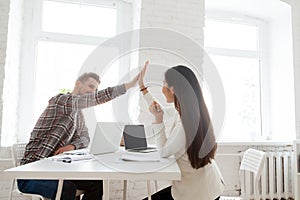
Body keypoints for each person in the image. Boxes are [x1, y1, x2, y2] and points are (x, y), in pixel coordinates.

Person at [18, 71, 140, 200]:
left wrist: (72, 146)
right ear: (78, 84)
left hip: (54, 171)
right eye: (91, 86)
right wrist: (127, 86)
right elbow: (94, 99)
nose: (93, 92)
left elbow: (85, 138)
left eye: (96, 89)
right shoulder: (60, 101)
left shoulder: (78, 113)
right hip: (31, 174)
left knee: (96, 184)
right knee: (67, 188)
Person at [139, 61, 224, 200]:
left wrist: (158, 121)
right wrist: (143, 88)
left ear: (173, 89)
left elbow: (164, 152)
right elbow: (158, 109)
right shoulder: (189, 112)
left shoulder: (185, 124)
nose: (162, 89)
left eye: (163, 84)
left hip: (198, 194)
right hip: (208, 186)